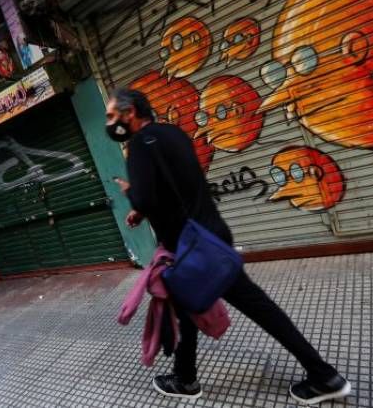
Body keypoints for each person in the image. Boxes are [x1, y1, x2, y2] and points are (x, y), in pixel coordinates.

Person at [105, 88, 351, 405]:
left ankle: (324, 376)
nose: (110, 123)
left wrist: (131, 193)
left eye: (112, 116)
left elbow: (146, 197)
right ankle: (185, 377)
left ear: (130, 113)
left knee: (253, 308)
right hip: (211, 236)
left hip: (192, 250)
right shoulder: (173, 134)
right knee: (195, 308)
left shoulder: (140, 144)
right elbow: (177, 188)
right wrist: (142, 210)